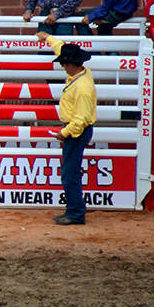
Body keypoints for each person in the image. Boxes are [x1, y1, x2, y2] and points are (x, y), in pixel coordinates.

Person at [34, 33, 95, 225]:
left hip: (76, 131)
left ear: (71, 64)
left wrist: (64, 132)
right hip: (78, 130)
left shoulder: (82, 88)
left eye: (64, 64)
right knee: (70, 172)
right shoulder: (83, 74)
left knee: (70, 174)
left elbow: (81, 119)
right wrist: (48, 38)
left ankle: (75, 213)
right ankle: (73, 210)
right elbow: (61, 48)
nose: (62, 66)